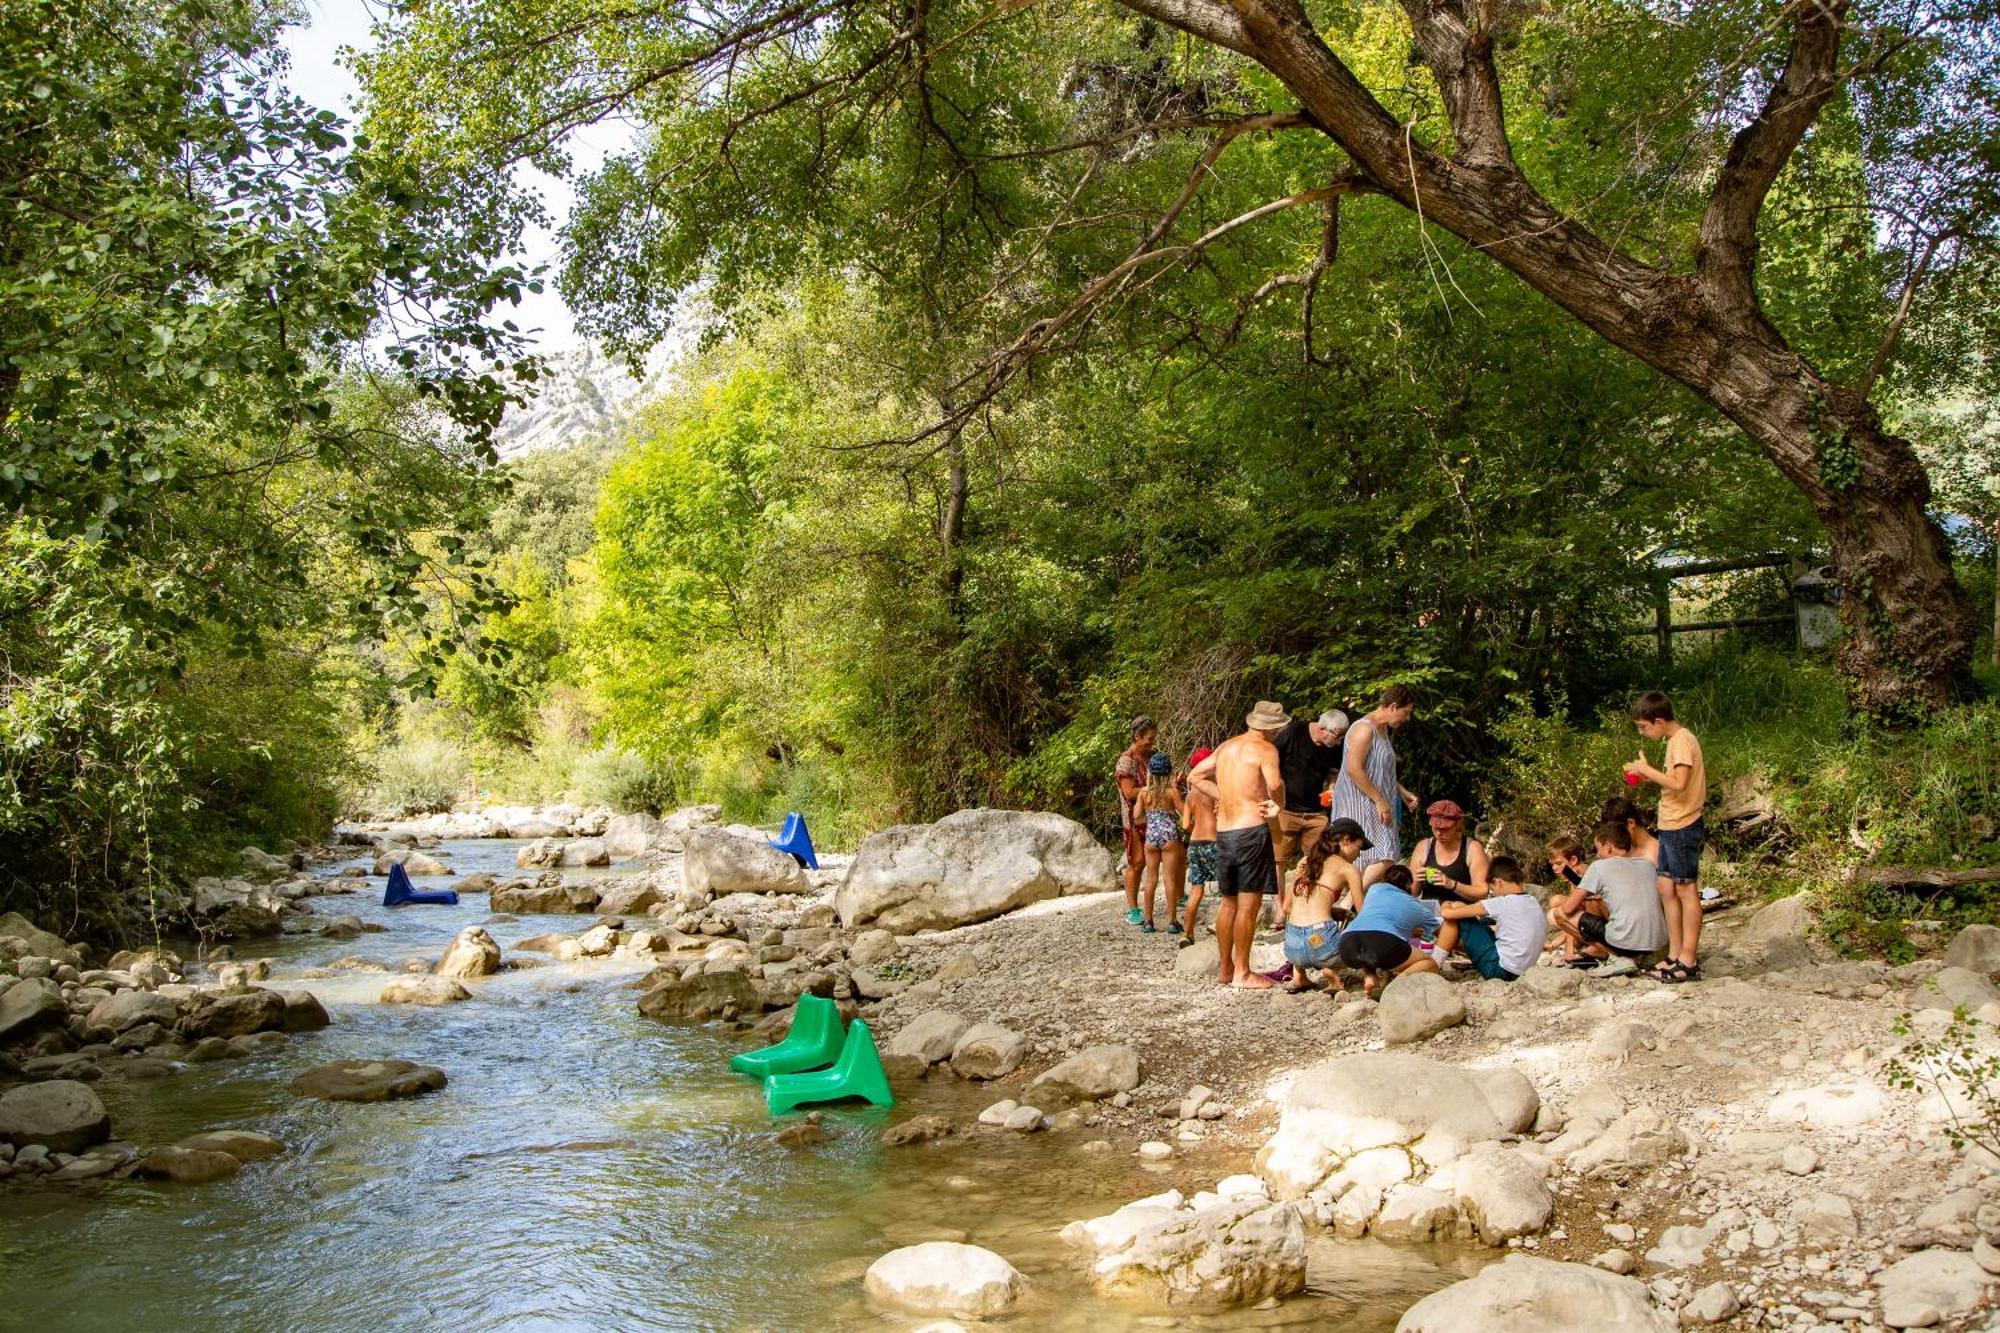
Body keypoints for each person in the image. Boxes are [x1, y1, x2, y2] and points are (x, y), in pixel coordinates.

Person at [1187, 700, 1288, 989]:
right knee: (1249, 904)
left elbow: (1195, 777)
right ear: (1275, 727)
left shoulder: (1226, 747)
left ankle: (1225, 968)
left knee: (1228, 903)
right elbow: (1276, 784)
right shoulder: (1267, 749)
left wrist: (1224, 796)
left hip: (1225, 834)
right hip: (1250, 832)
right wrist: (1276, 806)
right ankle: (1243, 972)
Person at [1624, 690, 1707, 983]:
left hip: (1684, 825)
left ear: (1658, 721)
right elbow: (1671, 782)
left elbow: (1680, 784)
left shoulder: (1682, 740)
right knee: (1666, 888)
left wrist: (1647, 769)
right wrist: (1648, 776)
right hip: (1670, 824)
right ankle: (1673, 956)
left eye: (1644, 727)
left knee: (1685, 889)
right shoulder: (1674, 742)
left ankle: (1688, 959)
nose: (1643, 733)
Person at [1550, 820, 1670, 976]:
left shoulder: (1599, 867)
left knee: (1558, 913)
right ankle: (1633, 957)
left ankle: (1617, 958)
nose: (1598, 855)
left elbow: (1568, 908)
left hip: (1626, 944)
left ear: (1608, 847)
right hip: (1658, 946)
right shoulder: (1647, 865)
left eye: (1598, 849)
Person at [1328, 685, 1420, 886]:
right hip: (1358, 802)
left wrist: (1402, 792)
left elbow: (1379, 771)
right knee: (1380, 855)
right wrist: (1379, 800)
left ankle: (1354, 903)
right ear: (1393, 706)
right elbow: (1354, 769)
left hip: (1377, 801)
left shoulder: (1383, 730)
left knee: (1384, 855)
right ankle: (1351, 901)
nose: (1407, 718)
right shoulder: (1364, 729)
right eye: (1406, 712)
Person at [1282, 818, 1367, 992]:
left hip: (1292, 947)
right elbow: (1364, 915)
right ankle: (1332, 970)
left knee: (1299, 927)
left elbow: (1286, 908)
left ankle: (1299, 976)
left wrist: (1332, 911)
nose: (1359, 854)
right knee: (1359, 952)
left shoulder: (1306, 862)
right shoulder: (1349, 870)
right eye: (1359, 848)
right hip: (1322, 945)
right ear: (1345, 841)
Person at [1336, 860, 1442, 997]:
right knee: (1429, 963)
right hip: (1382, 943)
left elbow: (1379, 921)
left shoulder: (1374, 890)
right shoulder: (1415, 905)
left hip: (1347, 943)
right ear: (1409, 884)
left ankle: (1370, 977)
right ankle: (1394, 985)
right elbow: (1439, 930)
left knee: (1368, 949)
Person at [1436, 855, 1548, 981]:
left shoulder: (1502, 903)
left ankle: (1435, 962)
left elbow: (1448, 914)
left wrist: (1445, 904)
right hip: (1523, 971)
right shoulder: (1532, 901)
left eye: (1492, 890)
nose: (1493, 894)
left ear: (1498, 882)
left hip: (1499, 971)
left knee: (1458, 910)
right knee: (1481, 921)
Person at [1270, 709, 1349, 880]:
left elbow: (1334, 772)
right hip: (1285, 809)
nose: (1339, 742)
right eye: (1338, 736)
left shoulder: (1334, 746)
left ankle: (1308, 900)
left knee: (1318, 859)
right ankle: (1281, 905)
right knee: (1279, 861)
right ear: (1323, 729)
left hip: (1315, 812)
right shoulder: (1294, 732)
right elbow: (1270, 758)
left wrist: (1332, 787)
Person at [1131, 751, 1184, 933]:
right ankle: (1172, 921)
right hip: (1169, 837)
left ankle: (1148, 921)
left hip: (1151, 837)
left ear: (1149, 773)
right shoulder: (1172, 792)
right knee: (1169, 878)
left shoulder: (1144, 793)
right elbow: (1184, 813)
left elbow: (1136, 816)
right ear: (1169, 773)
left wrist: (1148, 816)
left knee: (1151, 879)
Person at [1114, 716, 1158, 926]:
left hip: (1155, 815)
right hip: (1134, 819)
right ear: (1137, 737)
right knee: (1137, 862)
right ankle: (1133, 908)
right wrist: (1153, 789)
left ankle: (1178, 898)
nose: (1152, 742)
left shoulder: (1153, 756)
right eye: (1149, 739)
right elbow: (1129, 792)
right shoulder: (1127, 761)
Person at [1408, 798, 1489, 903]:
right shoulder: (1423, 847)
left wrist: (1452, 884)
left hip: (1461, 914)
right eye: (1435, 828)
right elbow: (1411, 894)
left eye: (1445, 829)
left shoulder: (1472, 848)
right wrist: (1417, 882)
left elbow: (1482, 892)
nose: (1439, 834)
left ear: (1457, 824)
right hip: (1430, 915)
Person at [1180, 746, 1219, 944]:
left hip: (1195, 844)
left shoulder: (1190, 795)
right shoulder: (1215, 791)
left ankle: (1187, 933)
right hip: (1214, 843)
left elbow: (1185, 824)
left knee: (1196, 891)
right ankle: (1219, 923)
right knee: (1228, 888)